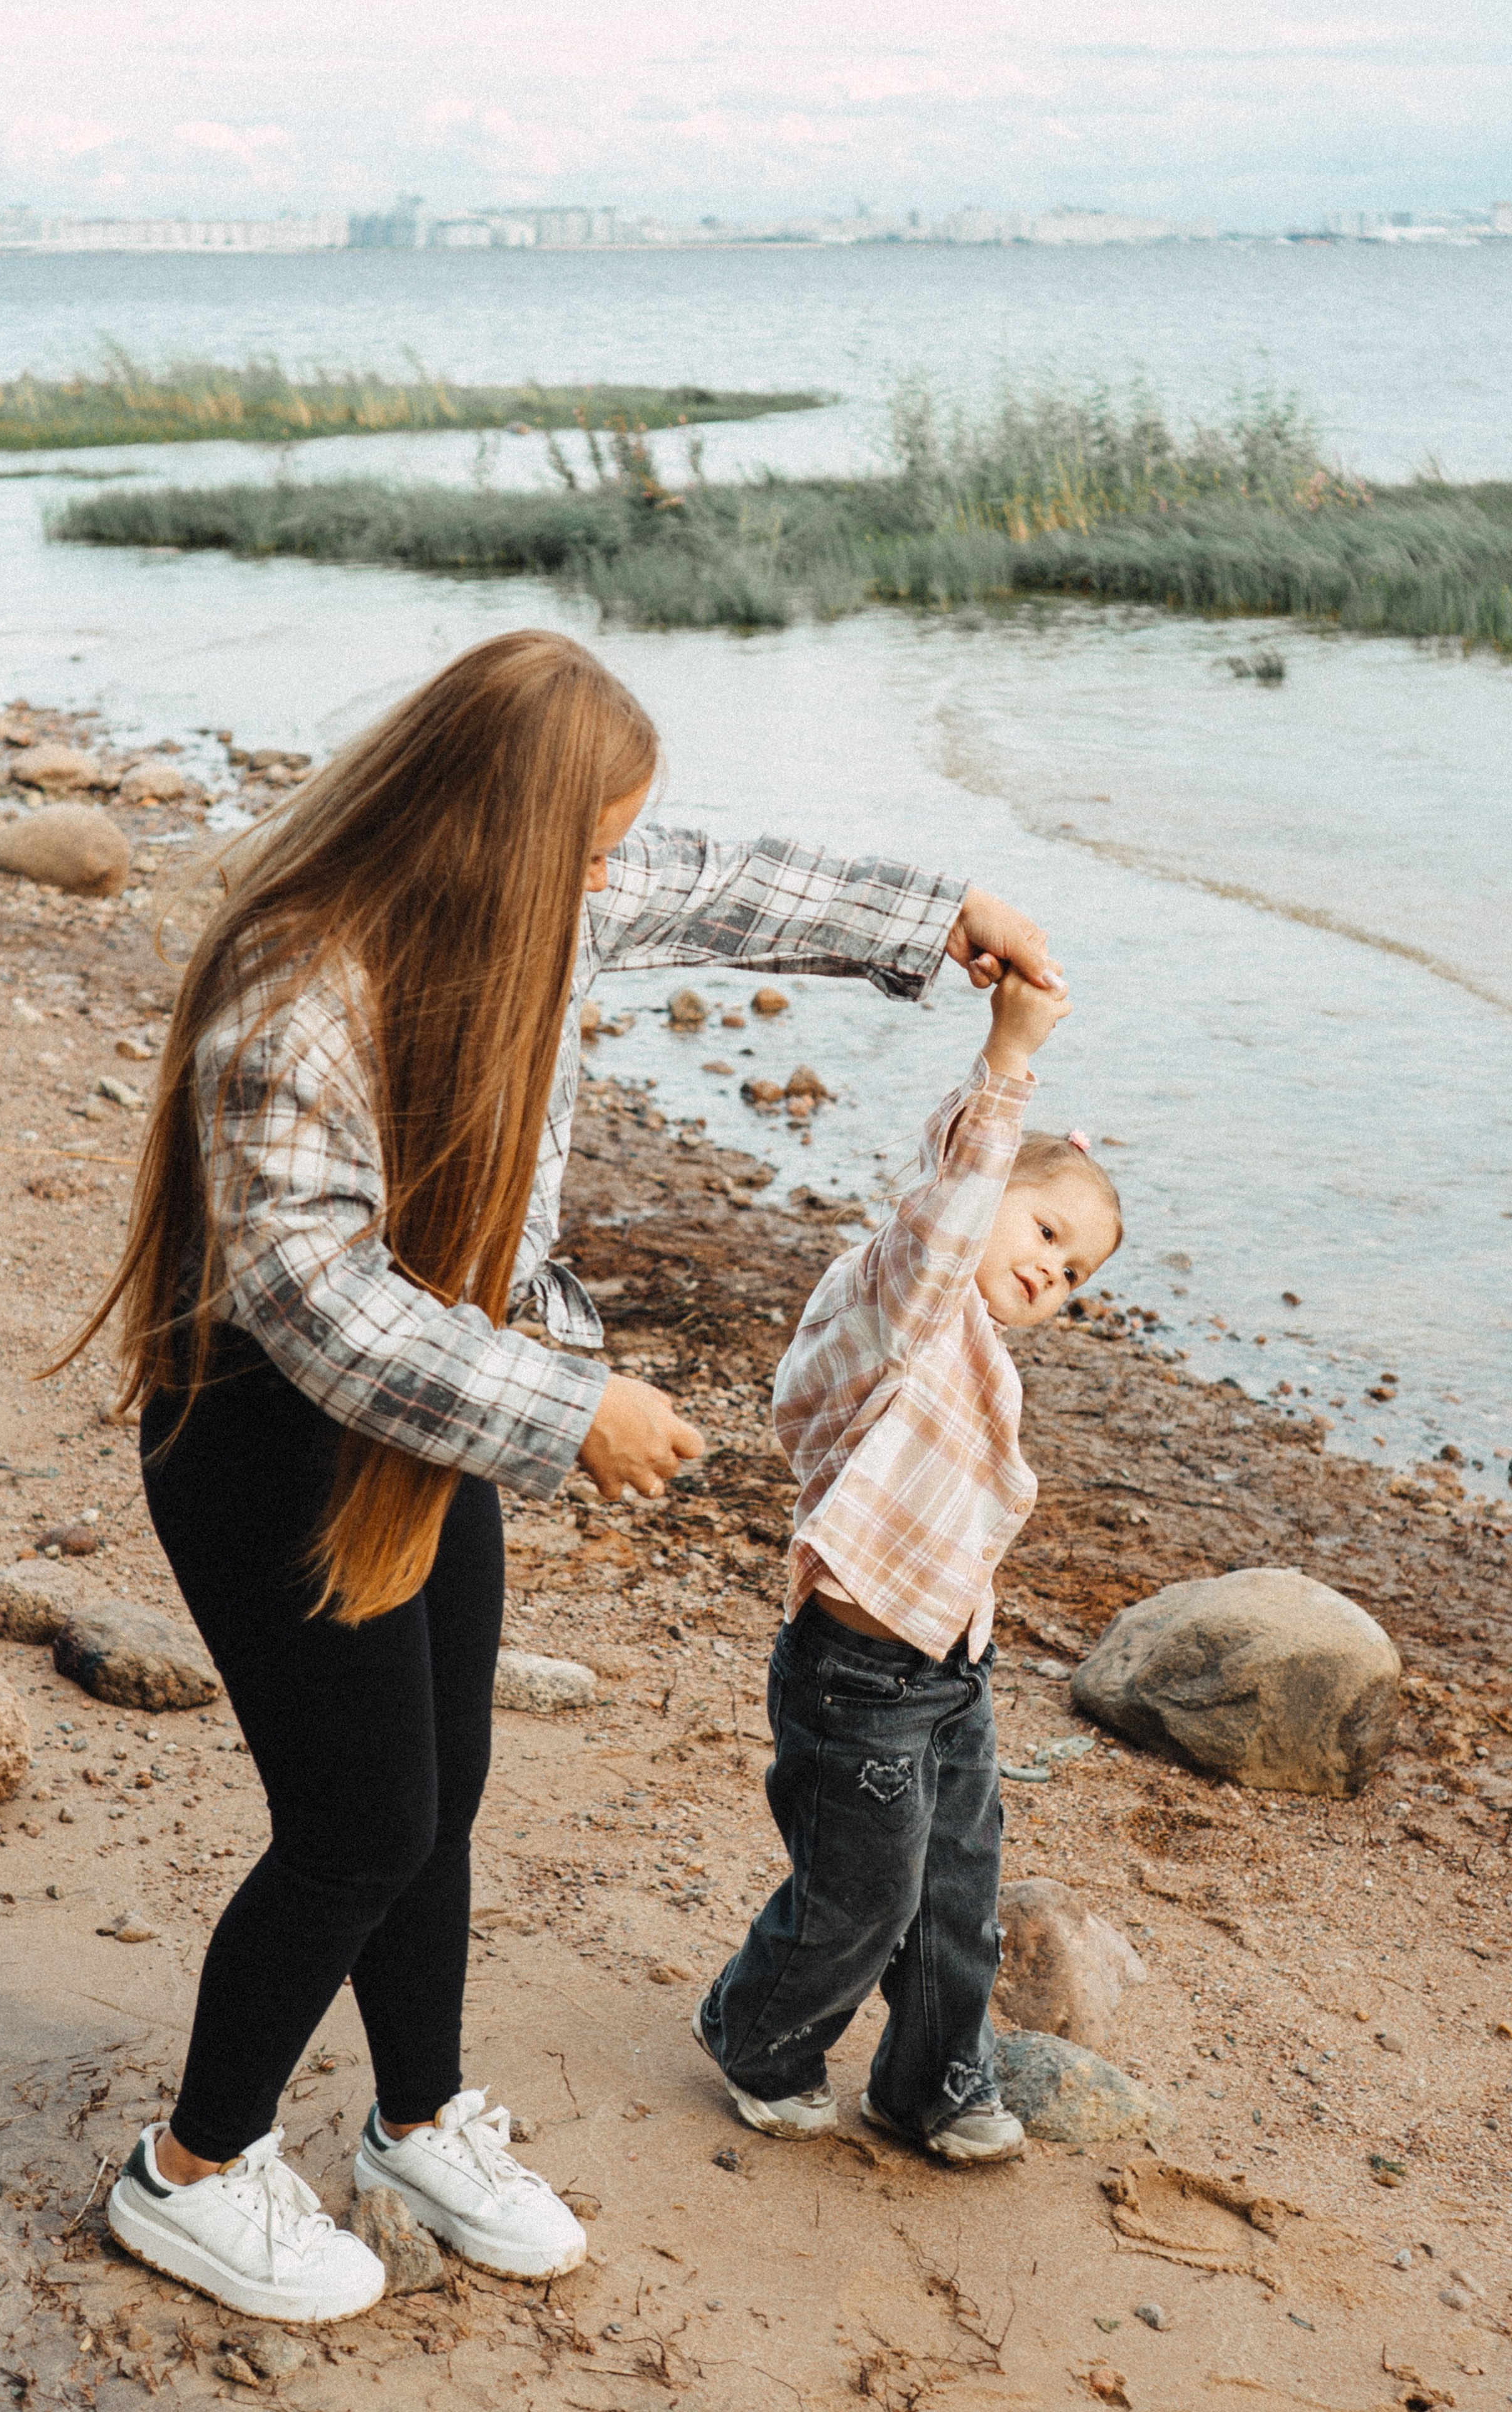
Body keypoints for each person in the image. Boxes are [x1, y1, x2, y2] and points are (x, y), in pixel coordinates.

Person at [58, 628, 1060, 2322]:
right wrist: (567, 1405)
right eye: (594, 848)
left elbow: (719, 885)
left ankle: (418, 2117)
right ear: (499, 828)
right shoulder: (294, 986)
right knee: (354, 1824)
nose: (615, 879)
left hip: (417, 1433)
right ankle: (195, 2169)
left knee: (438, 1797)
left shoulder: (525, 897)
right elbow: (316, 1298)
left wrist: (937, 916)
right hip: (264, 1438)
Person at [693, 965, 1123, 2163]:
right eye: (1045, 1232)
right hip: (852, 1678)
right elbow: (953, 1196)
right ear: (985, 1199)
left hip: (950, 1673)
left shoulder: (983, 1349)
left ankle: (930, 2082)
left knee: (955, 1901)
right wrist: (1011, 1050)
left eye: (1078, 1274)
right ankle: (754, 2031)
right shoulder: (907, 1300)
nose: (1053, 1271)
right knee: (861, 1894)